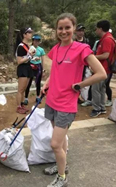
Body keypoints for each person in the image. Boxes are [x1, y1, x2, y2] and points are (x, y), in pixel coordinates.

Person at [41, 13, 106, 187]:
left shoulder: (82, 49)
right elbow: (54, 70)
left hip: (66, 105)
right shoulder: (56, 48)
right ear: (56, 30)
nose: (63, 31)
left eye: (67, 27)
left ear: (74, 28)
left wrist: (80, 85)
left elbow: (102, 73)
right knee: (60, 140)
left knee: (55, 144)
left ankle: (62, 178)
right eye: (60, 28)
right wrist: (46, 83)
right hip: (52, 100)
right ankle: (62, 165)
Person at [90, 20, 115, 117]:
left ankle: (97, 109)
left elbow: (105, 55)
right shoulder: (108, 38)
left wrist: (91, 57)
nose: (96, 30)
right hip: (105, 69)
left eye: (96, 28)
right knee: (101, 89)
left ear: (100, 29)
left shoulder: (107, 39)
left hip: (102, 69)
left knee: (95, 89)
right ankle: (102, 107)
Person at [15, 27, 34, 114]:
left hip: (28, 67)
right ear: (24, 35)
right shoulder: (21, 46)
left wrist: (32, 57)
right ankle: (18, 107)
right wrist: (29, 57)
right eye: (29, 32)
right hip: (22, 68)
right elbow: (19, 61)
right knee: (21, 89)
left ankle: (22, 105)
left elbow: (26, 58)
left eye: (31, 32)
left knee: (24, 88)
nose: (31, 34)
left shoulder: (27, 46)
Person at [23, 34, 46, 105]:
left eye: (38, 40)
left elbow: (43, 60)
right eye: (35, 40)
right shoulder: (29, 48)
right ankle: (26, 98)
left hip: (38, 67)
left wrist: (43, 70)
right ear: (33, 41)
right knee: (28, 82)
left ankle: (37, 97)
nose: (37, 42)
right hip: (31, 66)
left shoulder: (41, 50)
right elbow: (27, 57)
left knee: (38, 83)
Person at [75, 24, 93, 105]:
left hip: (84, 64)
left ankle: (83, 98)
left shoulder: (87, 41)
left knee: (84, 80)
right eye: (79, 31)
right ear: (76, 32)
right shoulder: (73, 41)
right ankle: (76, 97)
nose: (81, 33)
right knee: (75, 80)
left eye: (82, 31)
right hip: (75, 65)